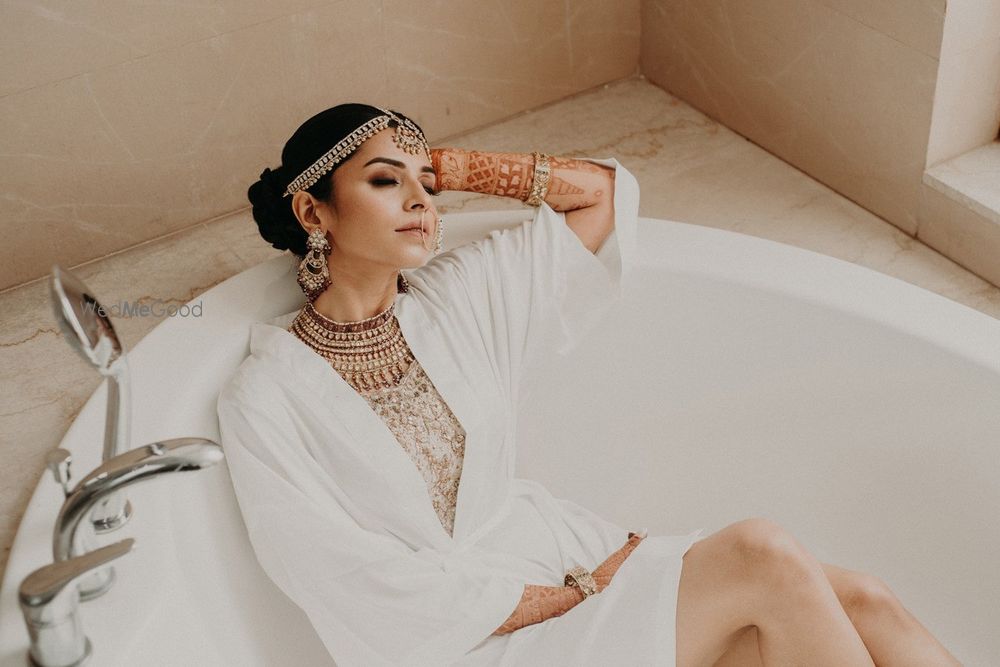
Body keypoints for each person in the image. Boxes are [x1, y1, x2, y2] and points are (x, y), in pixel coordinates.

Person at [216, 104, 962, 666]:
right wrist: (576, 592)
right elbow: (343, 579)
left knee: (861, 597)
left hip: (569, 567)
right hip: (471, 639)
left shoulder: (452, 302)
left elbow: (600, 196)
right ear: (313, 210)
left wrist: (454, 165)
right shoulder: (268, 396)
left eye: (424, 183)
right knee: (760, 553)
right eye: (386, 181)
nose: (420, 199)